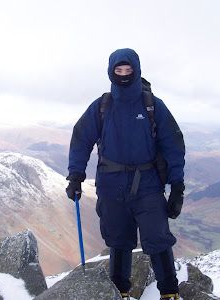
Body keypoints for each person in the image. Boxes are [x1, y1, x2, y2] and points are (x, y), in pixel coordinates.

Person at [66, 48, 185, 300]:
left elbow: (173, 144)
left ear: (136, 70)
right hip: (110, 185)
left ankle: (169, 292)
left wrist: (177, 186)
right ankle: (119, 291)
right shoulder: (102, 106)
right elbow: (81, 139)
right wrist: (75, 175)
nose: (123, 75)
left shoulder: (152, 106)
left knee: (157, 238)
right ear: (110, 72)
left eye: (127, 70)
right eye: (118, 70)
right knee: (118, 239)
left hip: (148, 184)